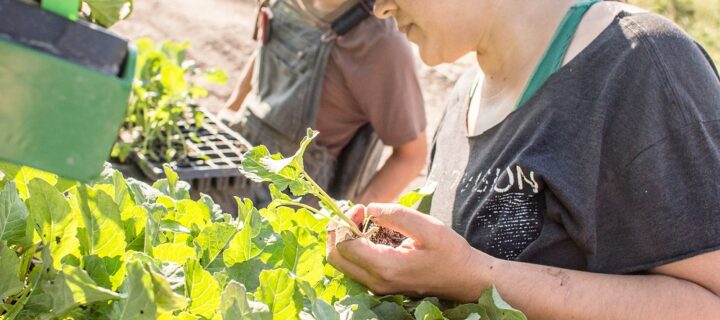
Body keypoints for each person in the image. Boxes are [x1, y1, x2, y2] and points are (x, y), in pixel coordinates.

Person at [327, 0, 720, 318]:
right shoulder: (462, 95)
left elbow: (709, 305)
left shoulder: (640, 60)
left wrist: (476, 277)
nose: (379, 9)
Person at [221, 0, 427, 205]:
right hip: (242, 143)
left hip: (290, 192)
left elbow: (411, 156)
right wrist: (228, 113)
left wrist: (352, 219)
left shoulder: (381, 42)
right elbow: (265, 47)